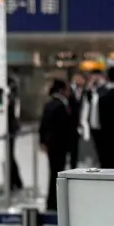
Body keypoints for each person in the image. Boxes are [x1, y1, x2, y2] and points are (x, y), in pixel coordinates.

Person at [39, 78, 77, 211]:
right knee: (57, 173)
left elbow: (43, 125)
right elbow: (64, 128)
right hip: (59, 144)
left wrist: (42, 141)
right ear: (61, 90)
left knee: (53, 172)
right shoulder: (61, 106)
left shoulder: (49, 104)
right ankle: (54, 202)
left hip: (51, 144)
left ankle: (52, 201)